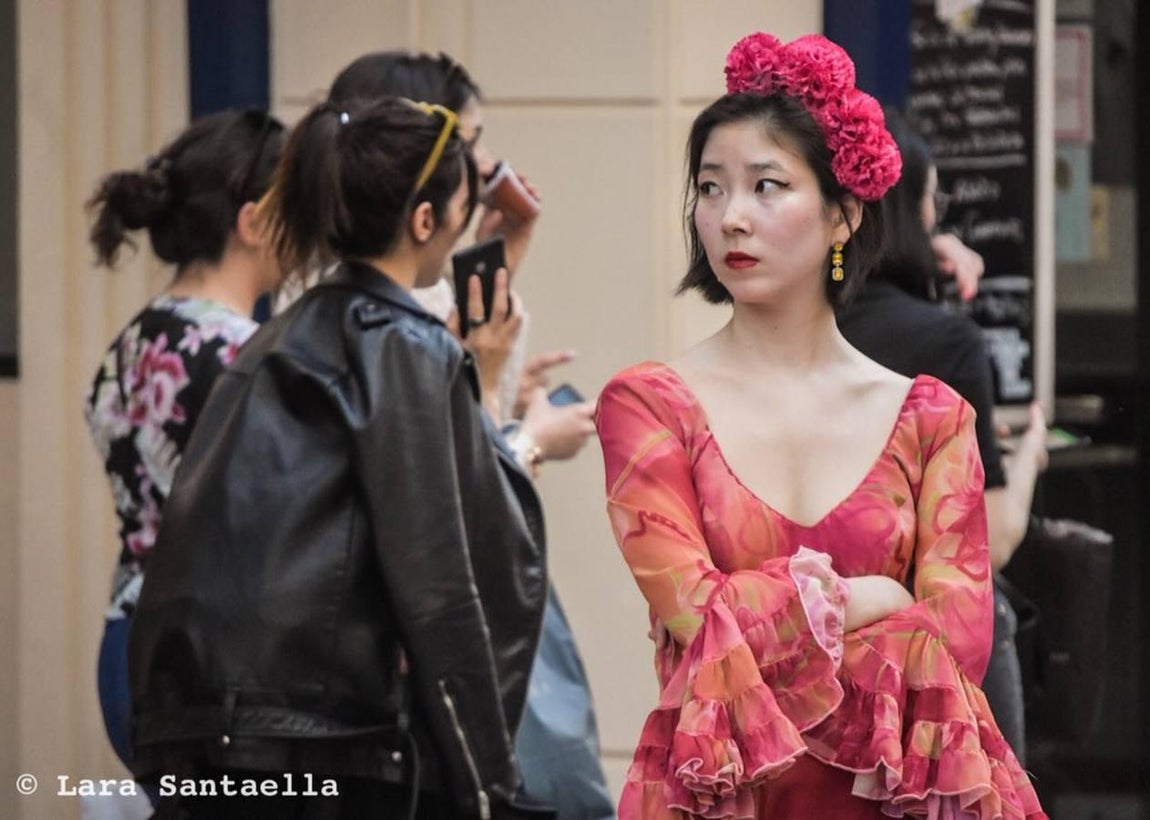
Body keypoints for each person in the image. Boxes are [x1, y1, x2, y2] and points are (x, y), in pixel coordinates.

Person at [594, 33, 1046, 818]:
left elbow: (961, 636)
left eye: (767, 186)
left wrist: (786, 611)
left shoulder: (932, 418)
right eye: (709, 187)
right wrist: (865, 594)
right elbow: (700, 622)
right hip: (727, 796)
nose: (731, 216)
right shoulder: (650, 406)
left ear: (842, 217)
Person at [128, 97, 551, 819]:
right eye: (458, 209)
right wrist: (489, 783)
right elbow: (439, 581)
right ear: (425, 222)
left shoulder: (274, 339)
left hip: (209, 726)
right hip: (331, 745)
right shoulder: (406, 346)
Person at [326, 51, 613, 819]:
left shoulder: (403, 295)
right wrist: (528, 438)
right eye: (470, 145)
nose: (487, 168)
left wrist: (498, 285)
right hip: (404, 648)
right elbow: (444, 496)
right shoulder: (380, 318)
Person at [836, 107, 1049, 763]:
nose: (938, 222)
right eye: (932, 204)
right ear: (908, 213)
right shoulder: (943, 341)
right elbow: (994, 541)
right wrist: (1032, 451)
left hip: (806, 659)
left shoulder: (790, 331)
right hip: (924, 677)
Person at [84, 108, 285, 773]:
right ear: (254, 223)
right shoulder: (243, 355)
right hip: (210, 662)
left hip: (125, 646)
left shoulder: (127, 344)